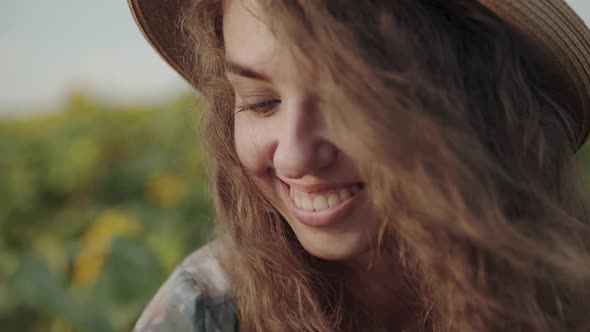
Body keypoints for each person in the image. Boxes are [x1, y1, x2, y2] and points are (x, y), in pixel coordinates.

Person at [128, 0, 590, 331]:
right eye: (262, 102)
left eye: (350, 99)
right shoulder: (208, 310)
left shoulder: (572, 291)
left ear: (475, 98)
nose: (294, 155)